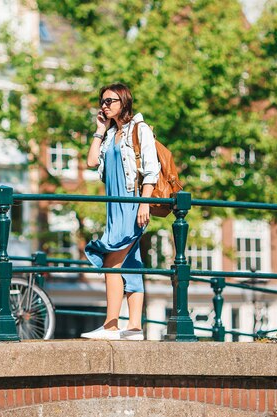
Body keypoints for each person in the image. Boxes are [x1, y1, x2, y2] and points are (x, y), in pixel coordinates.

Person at [81, 82, 160, 341]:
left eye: (110, 101)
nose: (105, 105)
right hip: (114, 207)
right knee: (130, 263)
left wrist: (144, 203)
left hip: (132, 203)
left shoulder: (140, 129)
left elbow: (151, 169)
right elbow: (92, 162)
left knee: (111, 262)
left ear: (124, 101)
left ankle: (111, 325)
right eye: (102, 101)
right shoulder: (111, 135)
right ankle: (135, 327)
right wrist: (99, 130)